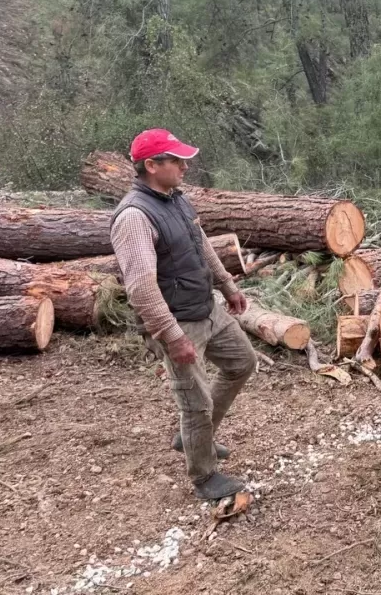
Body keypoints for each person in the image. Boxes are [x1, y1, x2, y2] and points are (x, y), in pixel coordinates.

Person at [110, 129, 257, 500]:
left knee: (242, 362)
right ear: (151, 165)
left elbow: (200, 243)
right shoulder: (134, 217)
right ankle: (205, 476)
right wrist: (172, 337)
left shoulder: (175, 199)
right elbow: (141, 287)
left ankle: (194, 437)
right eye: (176, 160)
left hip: (205, 307)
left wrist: (226, 284)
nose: (185, 166)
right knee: (195, 401)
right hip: (177, 321)